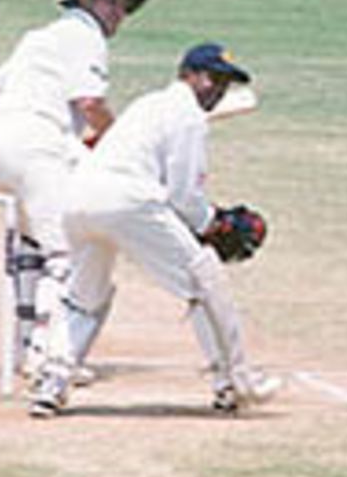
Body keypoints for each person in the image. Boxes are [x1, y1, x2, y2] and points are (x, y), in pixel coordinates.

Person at [28, 42, 282, 418]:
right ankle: (236, 382)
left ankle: (53, 381)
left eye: (225, 83)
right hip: (128, 200)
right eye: (213, 78)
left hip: (79, 198)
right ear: (188, 75)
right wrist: (214, 223)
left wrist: (201, 219)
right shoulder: (189, 116)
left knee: (84, 296)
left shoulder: (149, 104)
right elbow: (183, 196)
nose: (217, 90)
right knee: (204, 279)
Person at [0, 0, 146, 377]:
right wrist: (122, 141)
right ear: (85, 0)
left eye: (123, 4)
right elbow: (91, 103)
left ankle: (26, 349)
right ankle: (48, 357)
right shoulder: (85, 36)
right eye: (110, 0)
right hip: (38, 148)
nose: (118, 11)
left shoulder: (41, 37)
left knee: (34, 246)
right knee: (68, 253)